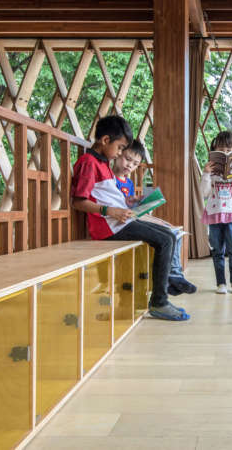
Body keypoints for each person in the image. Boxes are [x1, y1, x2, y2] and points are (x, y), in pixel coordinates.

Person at [71, 115, 190, 321]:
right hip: (109, 227)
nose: (120, 153)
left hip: (119, 221)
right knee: (165, 239)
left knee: (168, 234)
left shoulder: (103, 164)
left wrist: (129, 203)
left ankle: (162, 288)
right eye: (120, 148)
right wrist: (111, 211)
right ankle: (160, 300)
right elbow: (79, 201)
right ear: (105, 140)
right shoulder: (89, 163)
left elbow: (105, 195)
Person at [112, 139, 197, 296]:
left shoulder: (129, 183)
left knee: (173, 230)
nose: (130, 165)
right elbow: (114, 205)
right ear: (117, 154)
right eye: (127, 159)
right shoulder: (109, 179)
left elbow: (127, 204)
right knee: (168, 233)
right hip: (120, 222)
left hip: (131, 217)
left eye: (135, 163)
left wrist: (135, 201)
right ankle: (172, 277)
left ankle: (175, 275)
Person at [200, 130, 232, 294]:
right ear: (215, 150)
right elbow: (204, 193)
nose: (225, 153)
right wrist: (206, 174)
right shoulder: (211, 170)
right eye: (221, 150)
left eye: (229, 151)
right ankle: (221, 283)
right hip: (215, 213)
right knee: (217, 250)